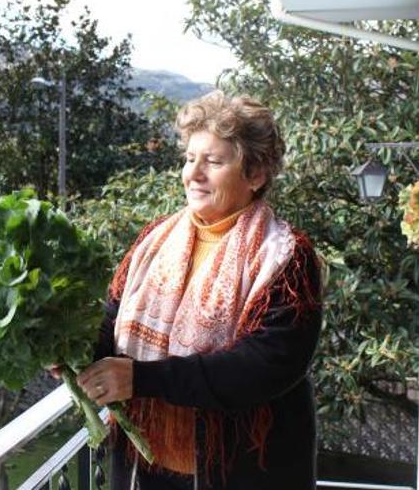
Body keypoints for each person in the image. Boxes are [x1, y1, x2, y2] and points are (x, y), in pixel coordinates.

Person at [75, 90, 323, 489]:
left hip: (241, 472)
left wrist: (143, 379)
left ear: (256, 175)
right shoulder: (154, 242)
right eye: (190, 159)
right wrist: (68, 351)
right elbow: (112, 325)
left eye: (214, 161)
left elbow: (265, 365)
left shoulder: (286, 256)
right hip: (147, 467)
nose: (194, 174)